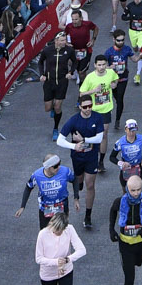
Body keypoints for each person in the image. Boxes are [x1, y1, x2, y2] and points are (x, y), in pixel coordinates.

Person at [57, 93, 108, 231]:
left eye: (90, 106)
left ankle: (88, 216)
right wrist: (74, 146)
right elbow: (59, 140)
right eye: (85, 107)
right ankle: (78, 185)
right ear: (79, 107)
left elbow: (99, 138)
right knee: (79, 180)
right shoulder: (73, 120)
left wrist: (84, 139)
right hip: (77, 157)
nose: (88, 109)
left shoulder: (97, 117)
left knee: (90, 185)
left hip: (91, 157)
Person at [36, 210, 86, 285]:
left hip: (65, 271)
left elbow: (82, 250)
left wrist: (68, 259)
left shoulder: (69, 229)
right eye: (56, 230)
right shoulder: (42, 234)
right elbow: (38, 258)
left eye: (61, 231)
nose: (58, 233)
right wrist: (55, 262)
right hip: (48, 274)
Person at [18, 154, 78, 228]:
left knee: (62, 232)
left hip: (62, 206)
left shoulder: (65, 171)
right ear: (48, 167)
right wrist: (22, 206)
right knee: (45, 234)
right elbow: (28, 187)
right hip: (45, 208)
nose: (59, 167)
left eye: (59, 164)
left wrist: (76, 198)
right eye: (56, 166)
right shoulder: (37, 175)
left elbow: (75, 180)